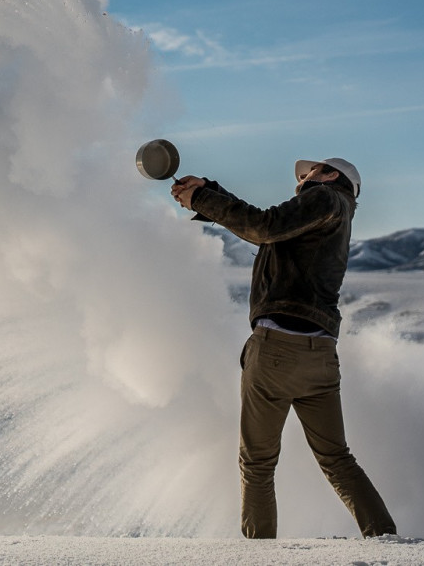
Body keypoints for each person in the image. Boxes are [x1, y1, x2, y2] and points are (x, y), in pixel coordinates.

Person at [170, 157, 397, 539]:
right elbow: (270, 227)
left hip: (277, 348)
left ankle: (259, 556)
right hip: (320, 356)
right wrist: (209, 191)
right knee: (337, 459)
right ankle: (386, 541)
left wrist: (202, 199)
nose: (302, 178)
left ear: (331, 176)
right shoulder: (335, 214)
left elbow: (263, 226)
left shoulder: (323, 197)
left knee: (257, 463)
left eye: (310, 171)